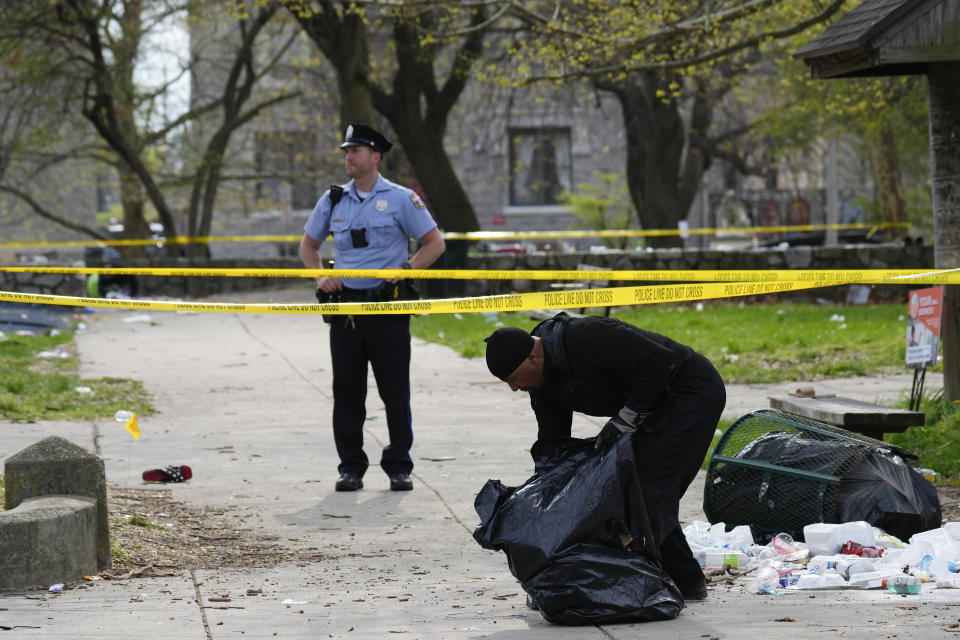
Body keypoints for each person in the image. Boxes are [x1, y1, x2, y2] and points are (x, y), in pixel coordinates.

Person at [483, 312, 726, 600]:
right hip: (650, 405)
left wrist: (622, 422)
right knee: (621, 489)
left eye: (512, 379)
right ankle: (671, 578)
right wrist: (545, 500)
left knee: (647, 491)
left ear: (533, 359)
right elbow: (554, 443)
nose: (513, 388)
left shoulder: (587, 336)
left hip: (690, 394)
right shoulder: (542, 385)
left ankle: (666, 582)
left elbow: (658, 362)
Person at [300, 123, 445, 492]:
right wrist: (321, 278)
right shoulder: (333, 199)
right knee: (347, 393)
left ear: (375, 156)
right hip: (347, 311)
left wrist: (408, 269)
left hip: (387, 308)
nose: (349, 157)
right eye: (347, 151)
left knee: (394, 391)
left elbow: (434, 243)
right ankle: (351, 466)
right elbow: (308, 246)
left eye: (356, 151)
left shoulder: (400, 198)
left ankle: (399, 465)